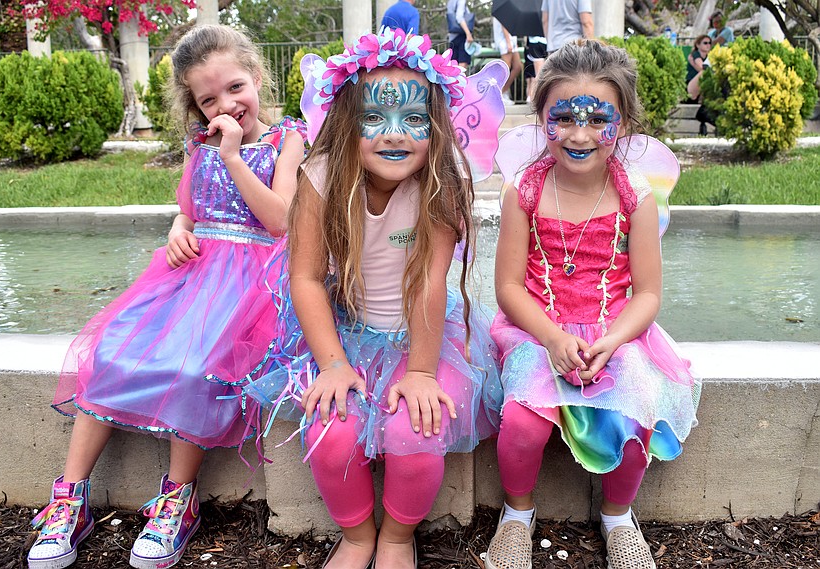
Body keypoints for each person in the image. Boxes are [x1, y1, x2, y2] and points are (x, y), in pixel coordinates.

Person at [26, 24, 306, 569]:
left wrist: (232, 157)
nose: (227, 104)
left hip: (250, 283)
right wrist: (178, 229)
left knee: (196, 368)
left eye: (235, 87)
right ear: (195, 107)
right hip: (192, 273)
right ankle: (70, 499)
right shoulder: (198, 143)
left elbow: (280, 221)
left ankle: (177, 499)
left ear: (256, 76)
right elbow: (190, 205)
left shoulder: (287, 138)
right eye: (208, 99)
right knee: (109, 351)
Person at [250, 29, 503, 569]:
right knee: (329, 429)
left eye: (414, 120)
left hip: (425, 334)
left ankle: (395, 536)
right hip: (346, 332)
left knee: (417, 429)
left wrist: (422, 372)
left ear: (434, 127)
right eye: (376, 119)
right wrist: (333, 363)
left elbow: (430, 284)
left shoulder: (441, 181)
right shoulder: (321, 178)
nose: (396, 135)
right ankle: (358, 535)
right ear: (346, 123)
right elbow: (307, 278)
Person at [485, 40, 700, 569]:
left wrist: (613, 339)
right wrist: (553, 337)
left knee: (636, 410)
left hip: (614, 332)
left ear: (621, 122)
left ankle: (618, 517)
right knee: (521, 423)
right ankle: (516, 515)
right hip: (536, 327)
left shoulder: (635, 196)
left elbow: (648, 291)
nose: (580, 135)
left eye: (597, 119)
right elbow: (508, 287)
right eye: (563, 118)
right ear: (541, 118)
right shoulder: (525, 191)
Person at [493, 17, 524, 106]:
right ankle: (499, 94)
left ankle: (503, 91)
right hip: (505, 41)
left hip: (511, 40)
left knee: (517, 66)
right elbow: (504, 23)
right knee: (506, 68)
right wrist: (508, 41)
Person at [448, 0, 476, 69]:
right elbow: (459, 17)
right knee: (462, 65)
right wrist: (468, 34)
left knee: (454, 65)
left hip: (453, 37)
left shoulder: (451, 2)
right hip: (462, 36)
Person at [686, 34, 712, 104]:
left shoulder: (709, 56)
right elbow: (702, 67)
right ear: (698, 45)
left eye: (709, 43)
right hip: (691, 82)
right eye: (705, 43)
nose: (708, 45)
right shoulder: (695, 54)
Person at [524, 29, 548, 105]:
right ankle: (534, 97)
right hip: (544, 41)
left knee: (538, 74)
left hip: (534, 42)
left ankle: (533, 97)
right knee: (540, 74)